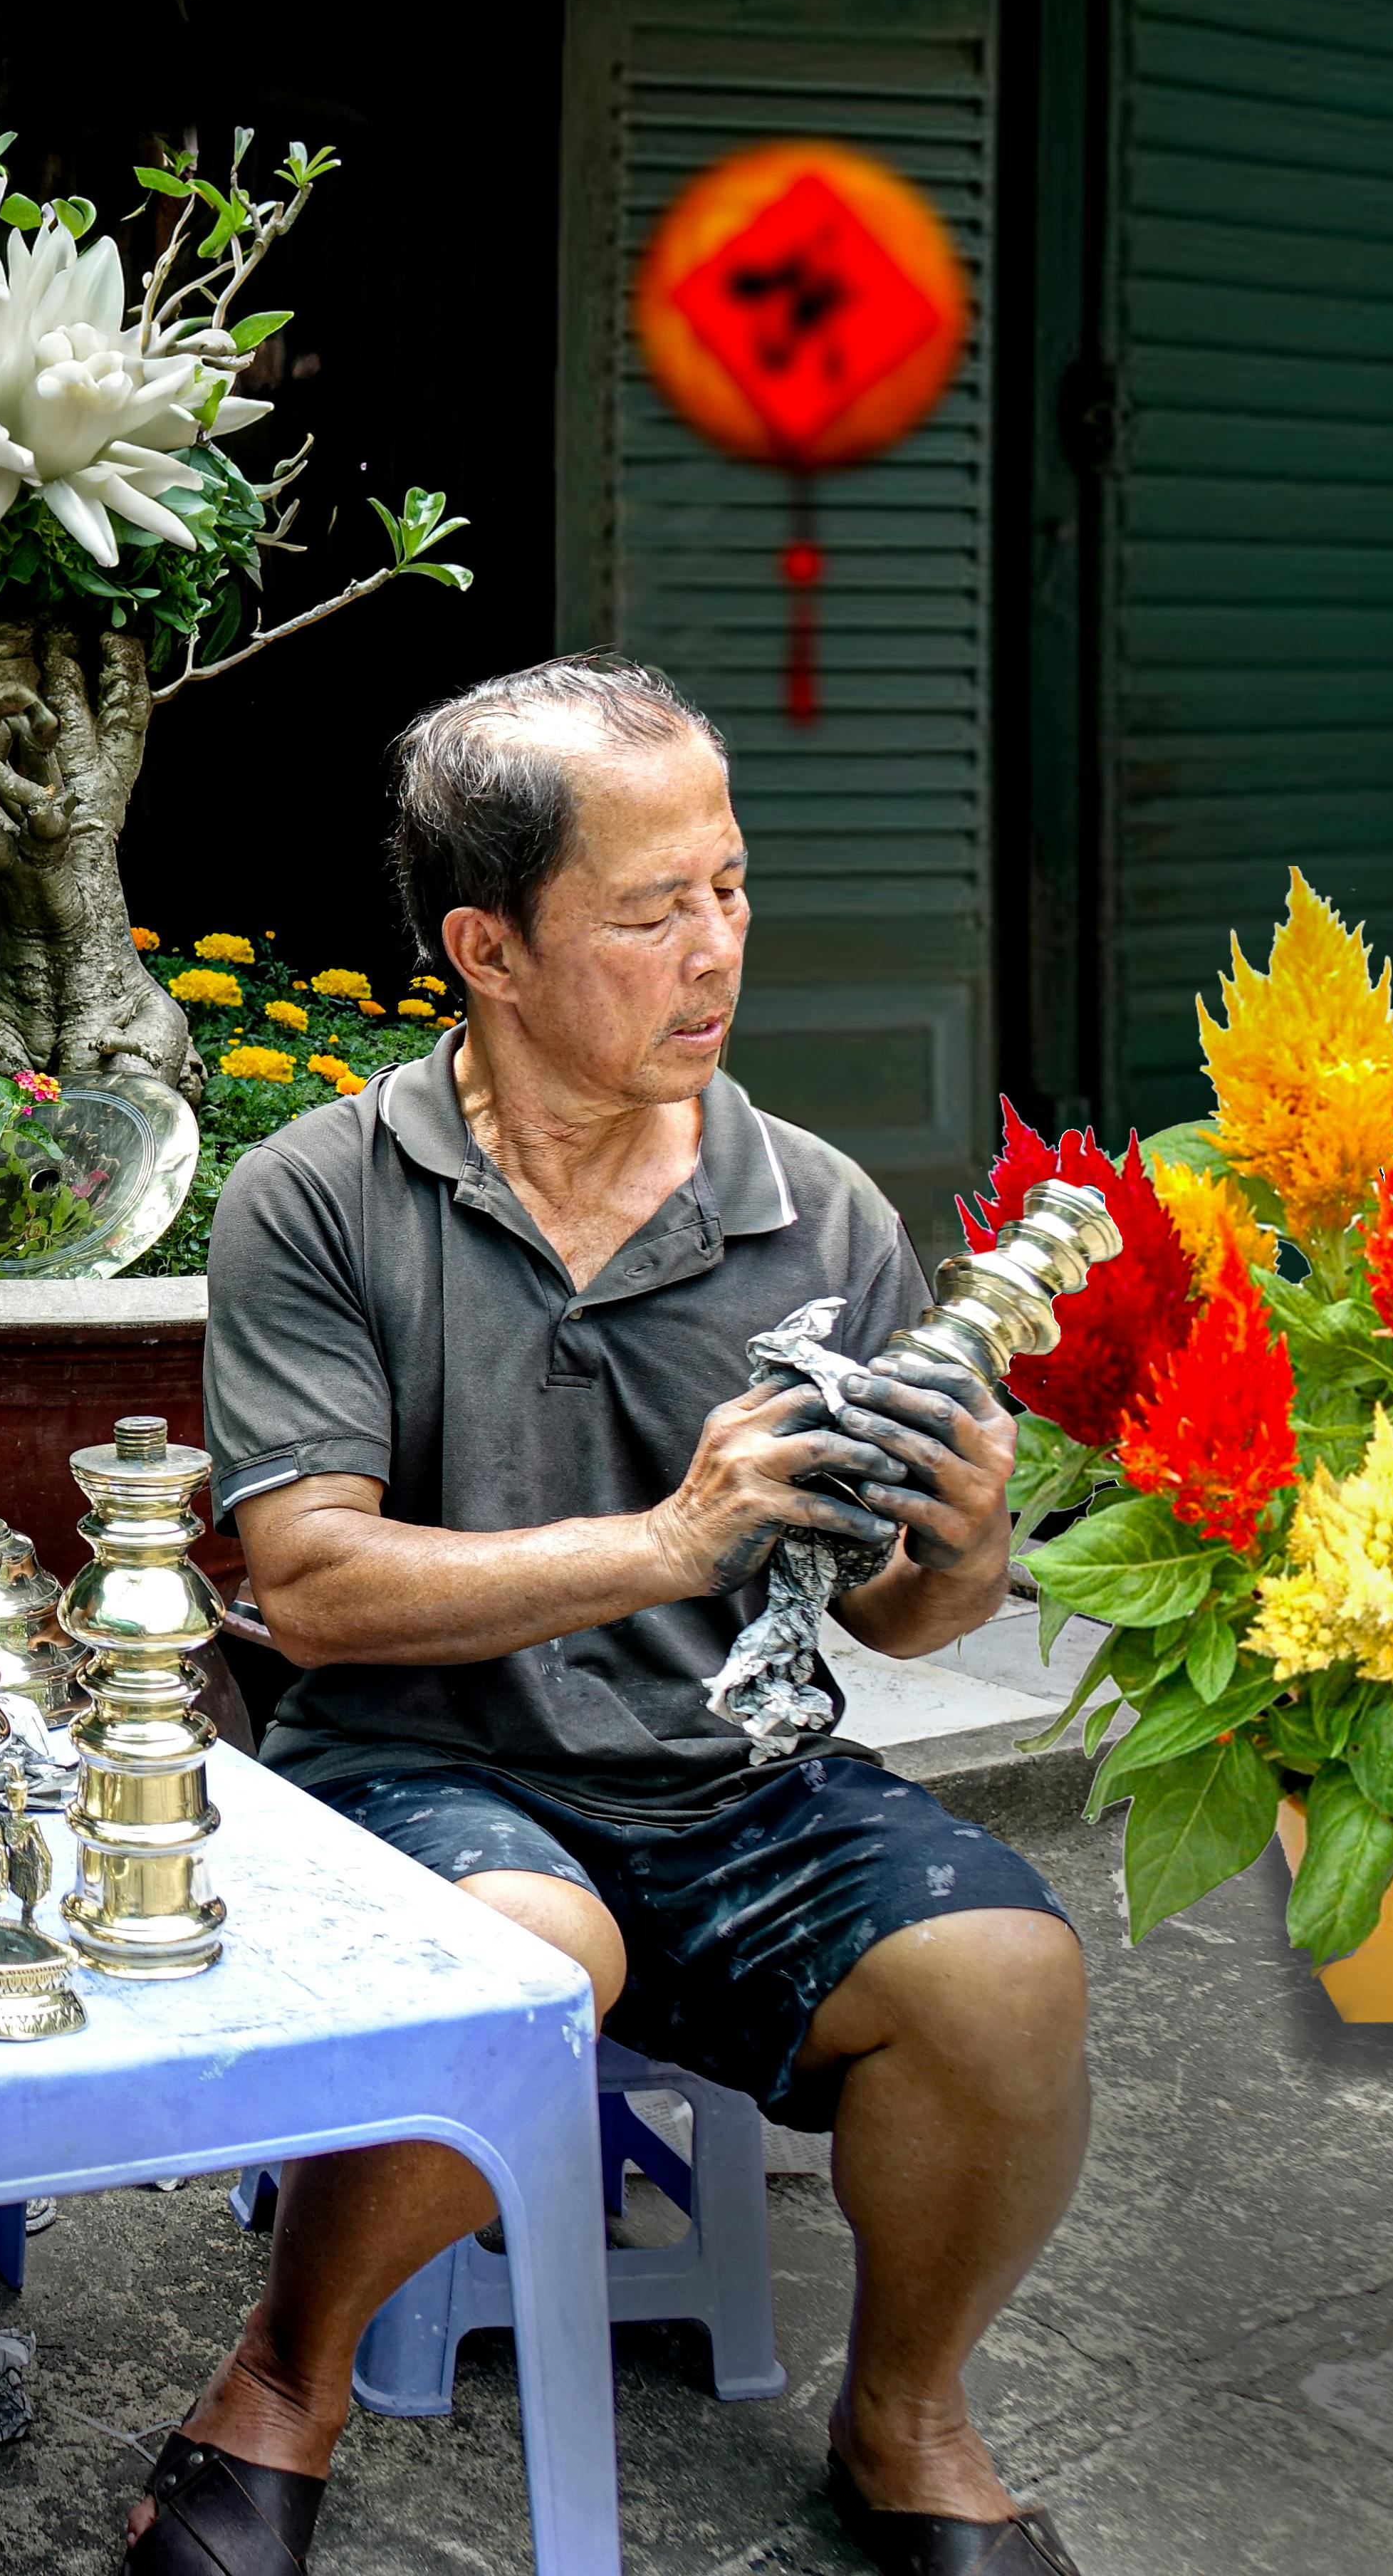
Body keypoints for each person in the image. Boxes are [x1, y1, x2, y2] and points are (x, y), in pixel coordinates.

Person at [137, 657, 1090, 2576]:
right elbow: (311, 1588)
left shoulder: (813, 1211)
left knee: (1009, 1973)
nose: (715, 952)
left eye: (731, 887)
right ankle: (284, 2376)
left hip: (725, 1785)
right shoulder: (323, 1196)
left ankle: (904, 2415)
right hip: (414, 1763)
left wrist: (969, 1549)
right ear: (486, 947)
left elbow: (897, 1619)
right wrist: (667, 1539)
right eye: (653, 911)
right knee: (530, 1946)